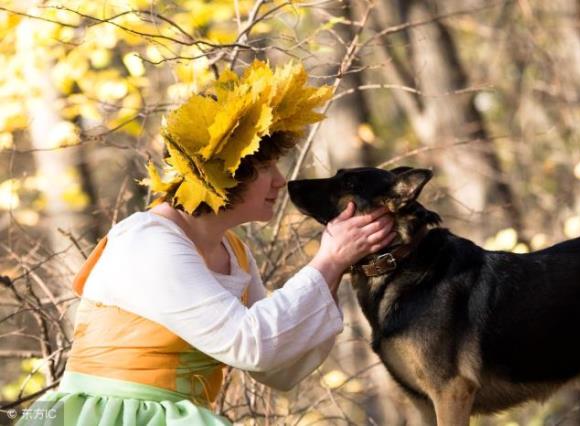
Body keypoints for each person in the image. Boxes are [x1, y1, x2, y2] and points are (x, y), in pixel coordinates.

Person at [17, 60, 394, 425]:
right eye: (264, 168)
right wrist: (328, 260)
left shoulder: (235, 252)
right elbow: (249, 343)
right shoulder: (149, 243)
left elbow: (276, 366)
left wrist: (339, 262)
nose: (280, 181)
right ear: (224, 174)